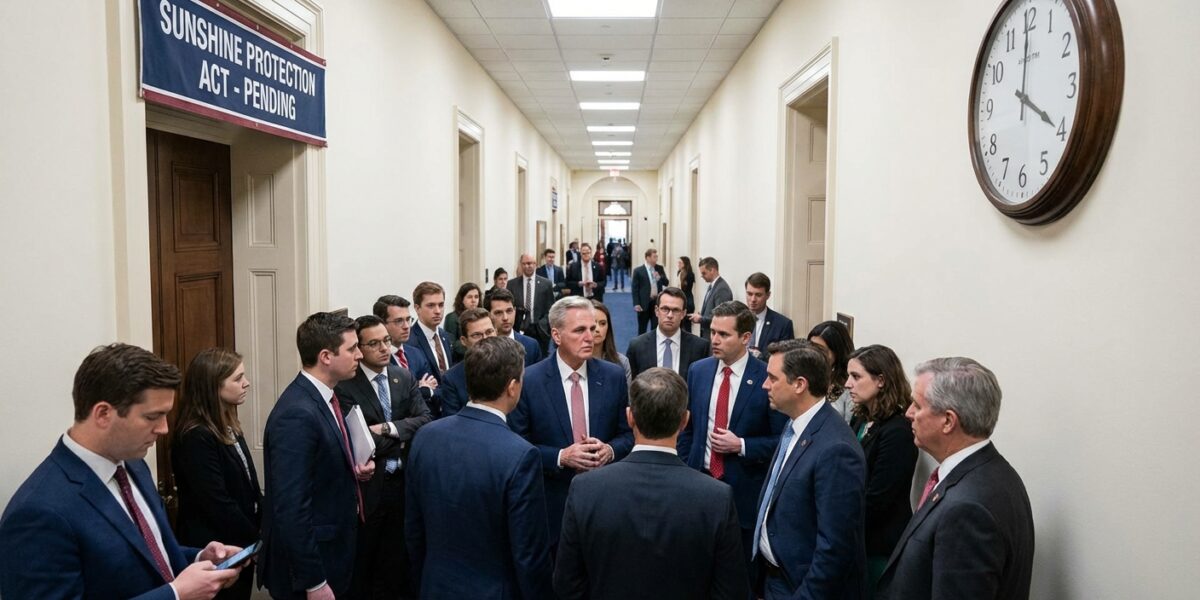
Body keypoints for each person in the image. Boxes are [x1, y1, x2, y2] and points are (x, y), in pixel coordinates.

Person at [0, 343, 243, 600]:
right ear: (103, 414)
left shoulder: (133, 465)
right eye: (152, 417)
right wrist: (174, 595)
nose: (164, 429)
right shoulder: (38, 512)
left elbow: (148, 555)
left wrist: (198, 558)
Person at [554, 368, 749, 600]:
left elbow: (567, 584)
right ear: (685, 421)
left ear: (630, 417)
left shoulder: (585, 488)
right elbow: (731, 591)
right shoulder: (717, 497)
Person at [406, 337, 554, 599]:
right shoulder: (520, 454)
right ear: (512, 387)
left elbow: (413, 531)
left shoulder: (425, 437)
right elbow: (528, 555)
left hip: (434, 587)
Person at [875, 358, 1034, 600]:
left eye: (917, 406)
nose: (908, 413)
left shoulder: (967, 510)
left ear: (948, 421)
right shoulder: (995, 471)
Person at [259, 313, 375, 600]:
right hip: (310, 569)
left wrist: (352, 469)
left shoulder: (326, 398)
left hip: (335, 550)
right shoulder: (297, 413)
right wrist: (314, 581)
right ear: (325, 356)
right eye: (352, 349)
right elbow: (291, 507)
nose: (359, 355)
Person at [509, 295, 634, 546]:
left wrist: (609, 450)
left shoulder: (613, 376)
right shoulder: (530, 381)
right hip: (551, 502)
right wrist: (561, 456)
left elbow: (628, 435)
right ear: (556, 336)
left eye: (593, 328)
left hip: (605, 500)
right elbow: (517, 445)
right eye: (580, 330)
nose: (591, 336)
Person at [754, 339, 867, 600]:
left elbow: (835, 549)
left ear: (799, 385)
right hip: (776, 579)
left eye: (772, 378)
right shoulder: (795, 423)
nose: (765, 385)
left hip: (802, 588)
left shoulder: (837, 450)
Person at [678, 301, 788, 566]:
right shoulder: (698, 370)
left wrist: (741, 445)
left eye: (723, 334)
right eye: (713, 332)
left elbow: (782, 442)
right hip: (698, 484)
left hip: (743, 493)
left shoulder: (766, 377)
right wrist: (685, 466)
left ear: (746, 338)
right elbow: (688, 428)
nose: (714, 340)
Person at [334, 315, 433, 599]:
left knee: (398, 561)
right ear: (359, 349)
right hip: (370, 486)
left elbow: (425, 419)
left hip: (405, 483)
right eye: (374, 343)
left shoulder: (402, 376)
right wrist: (402, 439)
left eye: (386, 341)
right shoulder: (345, 386)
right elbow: (358, 440)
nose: (384, 348)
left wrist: (389, 428)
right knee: (365, 564)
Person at [172, 348, 263, 600]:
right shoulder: (196, 435)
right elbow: (216, 501)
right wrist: (255, 537)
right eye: (237, 378)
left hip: (240, 544)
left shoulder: (229, 424)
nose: (246, 383)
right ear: (212, 385)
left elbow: (249, 484)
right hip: (215, 548)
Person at [843, 345, 917, 596]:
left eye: (856, 377)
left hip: (879, 544)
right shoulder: (861, 417)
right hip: (858, 536)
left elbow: (878, 498)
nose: (847, 384)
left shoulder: (899, 432)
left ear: (881, 380)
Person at [626, 286, 709, 378]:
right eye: (665, 309)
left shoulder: (700, 347)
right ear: (657, 311)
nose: (670, 315)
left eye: (676, 310)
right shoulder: (637, 346)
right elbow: (632, 387)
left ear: (683, 314)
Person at [404, 282, 455, 417]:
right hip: (429, 415)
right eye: (431, 305)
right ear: (417, 308)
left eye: (441, 305)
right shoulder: (409, 343)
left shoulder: (445, 336)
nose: (438, 311)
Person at [373, 294, 438, 399]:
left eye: (408, 319)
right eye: (399, 321)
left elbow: (436, 388)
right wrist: (422, 390)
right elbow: (395, 398)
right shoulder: (377, 359)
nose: (407, 326)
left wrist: (426, 391)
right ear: (382, 324)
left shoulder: (416, 354)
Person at [438, 307, 496, 416]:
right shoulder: (452, 379)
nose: (485, 339)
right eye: (476, 335)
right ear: (464, 341)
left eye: (489, 332)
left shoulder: (511, 369)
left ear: (496, 332)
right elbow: (452, 422)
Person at [808, 320, 856, 423]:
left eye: (821, 350)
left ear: (837, 352)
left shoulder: (850, 386)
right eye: (811, 348)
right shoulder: (807, 375)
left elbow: (850, 428)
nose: (814, 354)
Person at [507, 253, 555, 351]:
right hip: (520, 328)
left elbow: (551, 308)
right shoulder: (512, 284)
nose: (527, 266)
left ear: (535, 264)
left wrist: (543, 324)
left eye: (530, 263)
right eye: (524, 264)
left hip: (539, 329)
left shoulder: (546, 284)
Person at [484, 287, 542, 366]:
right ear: (488, 315)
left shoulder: (531, 346)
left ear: (514, 311)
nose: (505, 318)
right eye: (498, 313)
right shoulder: (483, 347)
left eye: (509, 311)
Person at [744, 272, 795, 359]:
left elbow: (787, 358)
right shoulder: (735, 319)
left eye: (758, 295)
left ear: (768, 295)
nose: (753, 299)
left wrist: (761, 357)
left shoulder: (783, 324)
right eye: (749, 294)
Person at [689, 256, 733, 339]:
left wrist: (700, 319)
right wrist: (701, 315)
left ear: (712, 270)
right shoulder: (713, 286)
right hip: (707, 334)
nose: (702, 276)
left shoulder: (722, 289)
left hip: (714, 337)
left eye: (704, 273)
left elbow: (721, 317)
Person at [590, 299, 632, 384]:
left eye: (602, 323)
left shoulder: (622, 362)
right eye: (592, 324)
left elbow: (626, 396)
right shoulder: (573, 362)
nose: (597, 329)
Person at [631, 247, 670, 334]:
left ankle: (653, 346)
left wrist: (660, 277)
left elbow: (666, 283)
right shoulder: (638, 271)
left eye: (657, 257)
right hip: (643, 303)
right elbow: (635, 288)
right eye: (654, 257)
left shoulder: (659, 268)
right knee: (642, 329)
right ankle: (641, 346)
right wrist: (636, 303)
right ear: (648, 258)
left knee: (655, 328)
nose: (656, 259)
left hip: (656, 302)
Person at [444, 282, 482, 363]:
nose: (473, 300)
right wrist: (474, 346)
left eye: (476, 297)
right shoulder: (452, 317)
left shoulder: (482, 316)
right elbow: (451, 344)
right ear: (462, 300)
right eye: (469, 297)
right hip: (461, 361)